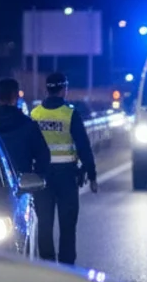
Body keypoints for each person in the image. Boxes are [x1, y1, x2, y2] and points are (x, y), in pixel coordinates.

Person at [30, 72, 97, 265]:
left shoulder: (35, 114)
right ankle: (67, 267)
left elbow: (28, 146)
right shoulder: (70, 114)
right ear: (64, 89)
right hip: (66, 176)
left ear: (47, 89)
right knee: (68, 225)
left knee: (44, 223)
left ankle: (47, 265)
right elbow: (83, 146)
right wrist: (92, 175)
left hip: (41, 177)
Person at [0, 78, 51, 181]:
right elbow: (43, 156)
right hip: (21, 183)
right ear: (16, 96)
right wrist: (35, 178)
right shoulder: (28, 125)